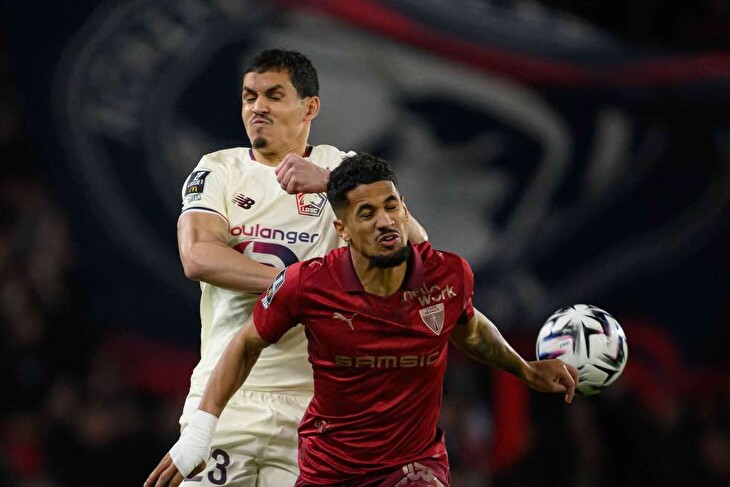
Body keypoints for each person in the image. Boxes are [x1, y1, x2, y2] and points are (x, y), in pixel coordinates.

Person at [146, 154, 578, 487]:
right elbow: (244, 345)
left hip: (412, 466)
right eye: (367, 213)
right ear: (344, 229)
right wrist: (199, 435)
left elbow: (471, 330)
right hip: (330, 470)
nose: (385, 221)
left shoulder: (447, 275)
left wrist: (524, 369)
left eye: (392, 207)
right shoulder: (307, 285)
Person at [172, 48, 428, 486]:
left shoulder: (344, 171)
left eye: (273, 96)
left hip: (317, 407)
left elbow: (420, 258)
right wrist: (299, 287)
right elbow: (197, 255)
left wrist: (335, 186)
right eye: (249, 96)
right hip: (225, 397)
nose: (257, 107)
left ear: (310, 107)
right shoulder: (218, 170)